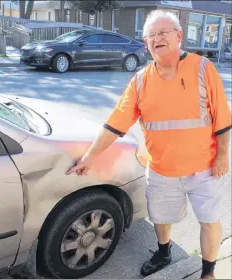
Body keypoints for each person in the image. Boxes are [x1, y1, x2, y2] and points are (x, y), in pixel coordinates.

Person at [66, 9, 232, 280]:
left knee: (209, 221)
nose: (156, 39)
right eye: (151, 35)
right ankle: (164, 251)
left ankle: (208, 272)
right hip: (162, 170)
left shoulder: (203, 68)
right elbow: (115, 124)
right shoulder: (141, 81)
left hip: (205, 168)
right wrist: (90, 156)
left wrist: (223, 155)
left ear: (178, 36)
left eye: (163, 32)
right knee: (160, 218)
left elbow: (223, 119)